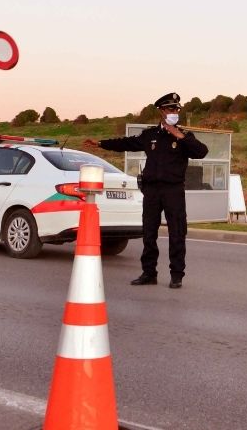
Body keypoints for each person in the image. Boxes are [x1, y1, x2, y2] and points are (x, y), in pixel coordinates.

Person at [84, 93, 208, 289]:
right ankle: (149, 273)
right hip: (152, 191)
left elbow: (202, 152)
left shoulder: (184, 136)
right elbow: (126, 143)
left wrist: (180, 137)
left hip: (173, 191)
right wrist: (101, 143)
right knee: (149, 233)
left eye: (176, 109)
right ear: (161, 112)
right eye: (170, 109)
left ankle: (177, 275)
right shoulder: (150, 135)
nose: (174, 112)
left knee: (177, 233)